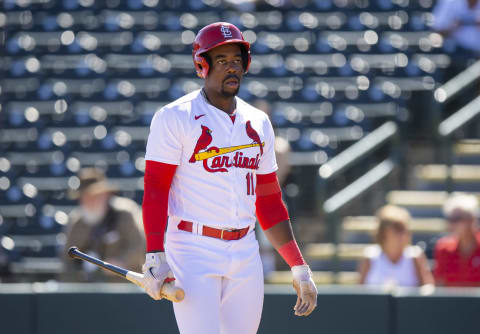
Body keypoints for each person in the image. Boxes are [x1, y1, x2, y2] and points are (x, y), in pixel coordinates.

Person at [141, 22, 317, 334]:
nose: (231, 67)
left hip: (245, 250)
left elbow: (269, 201)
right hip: (193, 248)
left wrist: (298, 265)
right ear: (202, 65)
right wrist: (155, 253)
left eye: (236, 60)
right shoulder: (174, 117)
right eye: (221, 60)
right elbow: (156, 189)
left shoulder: (258, 121)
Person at [60, 168, 145, 282]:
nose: (89, 200)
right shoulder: (77, 222)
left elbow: (139, 247)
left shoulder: (125, 213)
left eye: (93, 195)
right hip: (90, 288)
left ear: (105, 194)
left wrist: (119, 263)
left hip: (126, 285)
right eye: (85, 196)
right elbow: (67, 259)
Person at [358, 205, 434, 287]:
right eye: (398, 229)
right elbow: (359, 291)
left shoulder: (415, 256)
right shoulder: (369, 256)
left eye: (404, 229)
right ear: (384, 233)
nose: (404, 234)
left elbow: (428, 288)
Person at [434, 193, 480, 286]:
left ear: (471, 219)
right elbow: (440, 285)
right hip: (451, 301)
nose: (452, 224)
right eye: (450, 219)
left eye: (457, 218)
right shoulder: (443, 249)